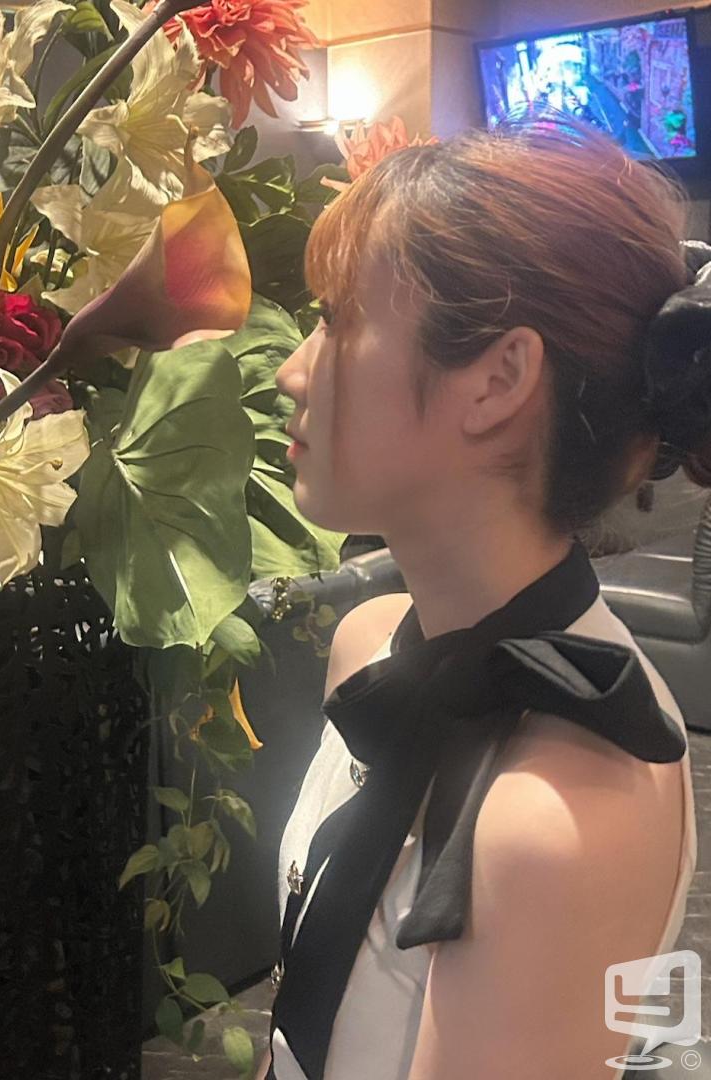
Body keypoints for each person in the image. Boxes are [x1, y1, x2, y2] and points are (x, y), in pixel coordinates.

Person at [256, 118, 705, 1079]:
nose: (293, 369)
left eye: (336, 321)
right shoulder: (372, 643)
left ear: (498, 379)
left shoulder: (556, 820)